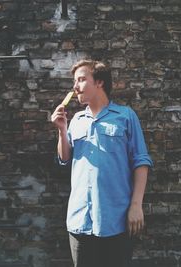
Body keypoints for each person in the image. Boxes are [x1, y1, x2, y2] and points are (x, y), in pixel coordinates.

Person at [51, 59, 153, 267]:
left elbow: (141, 162)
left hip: (116, 219)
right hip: (80, 220)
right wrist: (62, 129)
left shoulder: (125, 116)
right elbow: (64, 160)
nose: (75, 86)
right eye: (75, 81)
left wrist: (136, 206)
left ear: (99, 82)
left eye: (81, 79)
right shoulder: (77, 120)